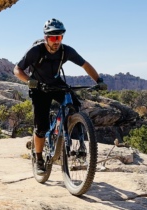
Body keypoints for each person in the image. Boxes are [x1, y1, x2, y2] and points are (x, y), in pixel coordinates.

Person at [13, 18, 107, 175]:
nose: (56, 41)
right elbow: (17, 69)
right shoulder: (36, 51)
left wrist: (99, 80)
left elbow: (85, 65)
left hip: (56, 84)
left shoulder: (66, 51)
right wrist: (30, 81)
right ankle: (39, 159)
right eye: (53, 37)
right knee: (41, 127)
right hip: (39, 87)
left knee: (74, 103)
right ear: (46, 38)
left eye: (59, 37)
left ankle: (78, 138)